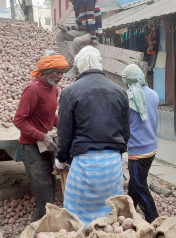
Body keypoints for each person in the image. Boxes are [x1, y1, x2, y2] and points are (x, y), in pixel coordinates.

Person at [55, 46, 129, 227]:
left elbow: (64, 133)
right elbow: (126, 133)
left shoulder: (70, 92)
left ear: (79, 67)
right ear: (100, 64)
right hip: (112, 166)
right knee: (110, 216)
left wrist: (61, 160)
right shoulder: (119, 92)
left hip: (84, 165)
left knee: (77, 215)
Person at [13, 53, 68, 222]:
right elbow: (19, 120)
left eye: (62, 72)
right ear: (45, 71)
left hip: (45, 144)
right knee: (43, 190)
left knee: (50, 184)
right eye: (56, 72)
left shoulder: (54, 89)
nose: (59, 76)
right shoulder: (33, 90)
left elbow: (50, 116)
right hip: (31, 147)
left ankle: (46, 221)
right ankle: (37, 228)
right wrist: (41, 136)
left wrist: (65, 125)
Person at [122, 64, 160, 223]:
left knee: (139, 186)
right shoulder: (153, 94)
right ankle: (128, 215)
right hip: (151, 147)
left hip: (138, 151)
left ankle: (155, 220)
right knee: (134, 184)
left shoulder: (130, 98)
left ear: (128, 82)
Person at [55, 0, 102, 66]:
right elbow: (79, 26)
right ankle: (69, 62)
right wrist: (68, 28)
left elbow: (91, 19)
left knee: (76, 41)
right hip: (83, 32)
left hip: (94, 33)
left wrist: (93, 37)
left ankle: (77, 68)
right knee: (59, 35)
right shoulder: (76, 4)